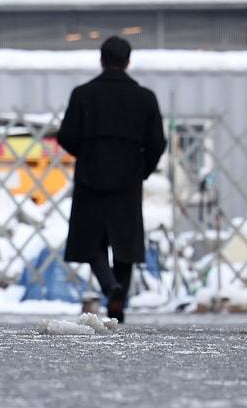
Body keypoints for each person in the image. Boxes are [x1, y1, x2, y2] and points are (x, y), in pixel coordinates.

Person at [57, 36, 167, 323]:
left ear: (102, 60)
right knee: (125, 243)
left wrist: (89, 152)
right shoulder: (145, 98)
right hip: (128, 180)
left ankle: (110, 286)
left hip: (91, 177)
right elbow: (158, 142)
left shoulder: (83, 95)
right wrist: (141, 168)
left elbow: (66, 136)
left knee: (91, 239)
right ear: (128, 61)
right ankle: (118, 302)